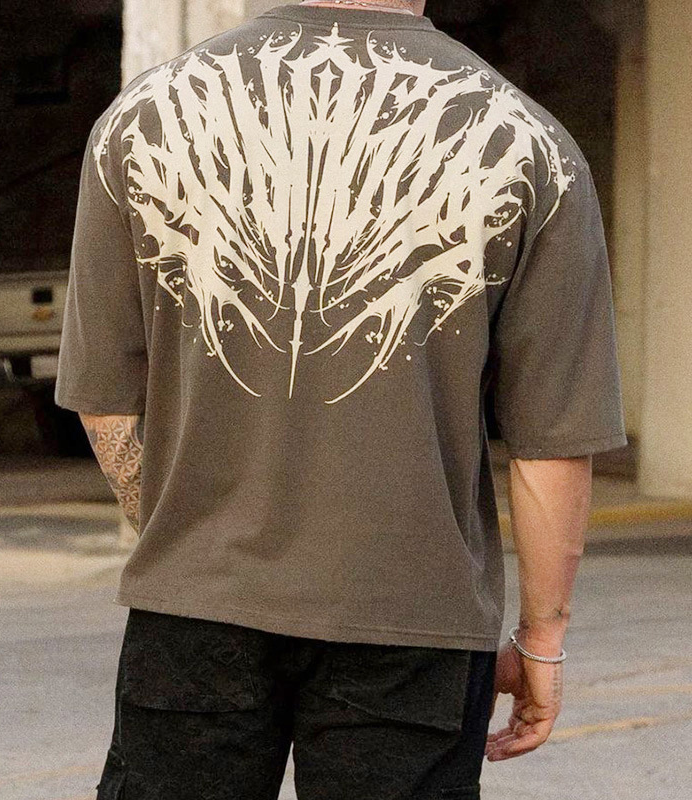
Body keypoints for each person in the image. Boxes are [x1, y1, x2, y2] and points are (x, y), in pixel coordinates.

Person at [55, 1, 628, 797]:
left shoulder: (143, 118)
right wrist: (541, 640)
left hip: (196, 610)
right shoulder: (530, 144)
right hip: (414, 618)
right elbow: (552, 444)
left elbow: (106, 396)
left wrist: (184, 538)